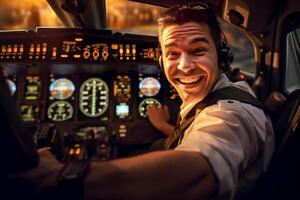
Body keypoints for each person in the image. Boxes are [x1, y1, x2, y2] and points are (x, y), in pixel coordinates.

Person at [13, 2, 275, 200]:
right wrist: (163, 126)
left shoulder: (232, 115)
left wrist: (61, 177)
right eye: (172, 53)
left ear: (222, 56)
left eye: (198, 50)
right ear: (161, 61)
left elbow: (202, 168)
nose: (184, 66)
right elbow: (196, 135)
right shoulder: (218, 94)